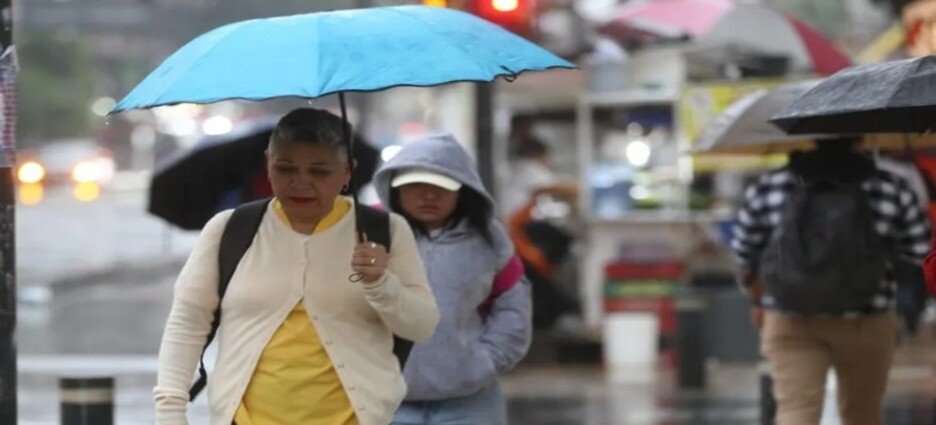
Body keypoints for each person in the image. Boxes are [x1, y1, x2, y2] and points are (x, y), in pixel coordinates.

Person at [153, 108, 440, 425]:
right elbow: (188, 321)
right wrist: (170, 412)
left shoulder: (385, 231)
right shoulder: (230, 229)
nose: (300, 183)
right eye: (285, 168)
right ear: (268, 163)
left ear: (347, 172)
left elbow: (422, 326)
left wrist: (381, 284)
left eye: (319, 172)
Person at [731, 137, 931, 425]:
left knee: (796, 410)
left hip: (789, 316)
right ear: (860, 137)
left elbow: (744, 253)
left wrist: (757, 299)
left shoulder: (770, 185)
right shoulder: (890, 186)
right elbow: (918, 250)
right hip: (868, 317)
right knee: (862, 414)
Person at [373, 133, 532, 425]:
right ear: (396, 187)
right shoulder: (370, 234)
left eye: (441, 186)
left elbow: (512, 306)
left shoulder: (491, 241)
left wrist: (486, 361)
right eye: (416, 185)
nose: (428, 195)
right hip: (383, 401)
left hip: (471, 403)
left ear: (463, 189)